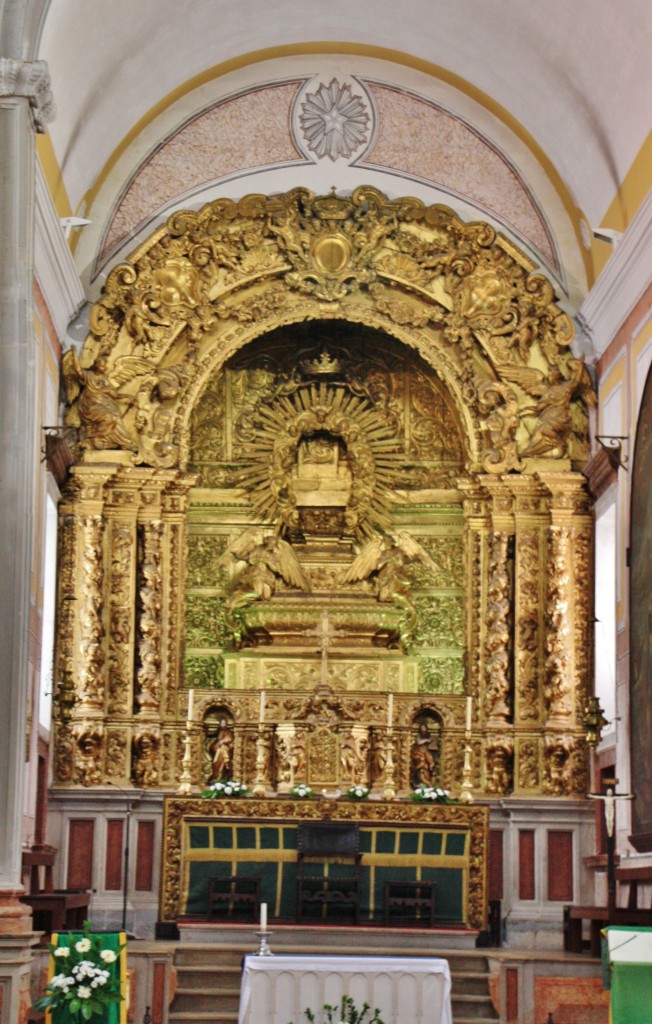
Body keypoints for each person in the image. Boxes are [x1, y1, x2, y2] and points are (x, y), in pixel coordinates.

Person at [410, 721, 439, 788]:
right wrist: (426, 740)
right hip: (418, 753)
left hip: (426, 753)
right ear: (420, 729)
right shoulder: (418, 736)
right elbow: (418, 742)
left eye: (424, 728)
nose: (423, 729)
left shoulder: (429, 736)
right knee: (422, 764)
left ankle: (427, 781)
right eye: (422, 728)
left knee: (428, 764)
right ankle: (420, 782)